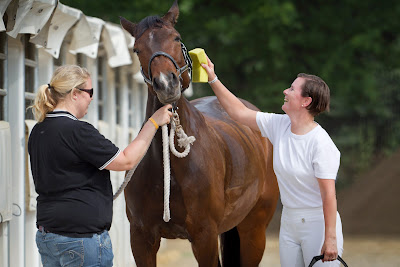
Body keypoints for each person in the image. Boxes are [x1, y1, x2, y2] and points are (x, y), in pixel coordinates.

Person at [201, 55, 343, 266]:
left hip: (317, 224)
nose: (286, 91)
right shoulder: (280, 125)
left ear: (306, 101)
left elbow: (328, 196)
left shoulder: (321, 144)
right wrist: (212, 78)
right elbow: (238, 112)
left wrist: (330, 238)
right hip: (289, 223)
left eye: (292, 89)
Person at [28, 65, 172, 267]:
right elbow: (126, 161)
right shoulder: (77, 131)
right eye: (90, 92)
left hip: (49, 236)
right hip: (81, 240)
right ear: (75, 94)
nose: (92, 98)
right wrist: (153, 122)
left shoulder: (38, 130)